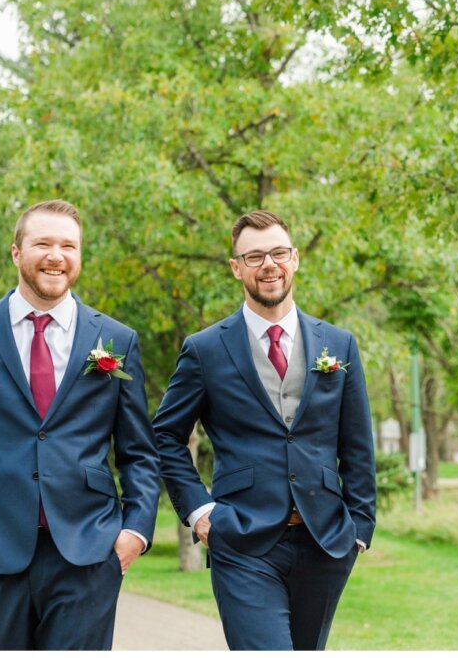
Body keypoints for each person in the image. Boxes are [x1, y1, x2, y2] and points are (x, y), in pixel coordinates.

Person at [0, 200, 160, 650]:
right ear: (17, 253)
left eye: (68, 245)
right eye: (43, 244)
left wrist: (135, 532)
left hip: (88, 555)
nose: (57, 255)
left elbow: (138, 452)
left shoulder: (116, 339)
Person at [153, 210, 375, 650]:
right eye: (254, 257)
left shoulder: (339, 344)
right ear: (236, 268)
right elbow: (165, 436)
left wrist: (360, 528)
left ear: (294, 259)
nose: (268, 264)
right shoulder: (205, 349)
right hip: (241, 538)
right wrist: (200, 513)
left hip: (325, 539)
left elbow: (357, 443)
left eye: (277, 253)